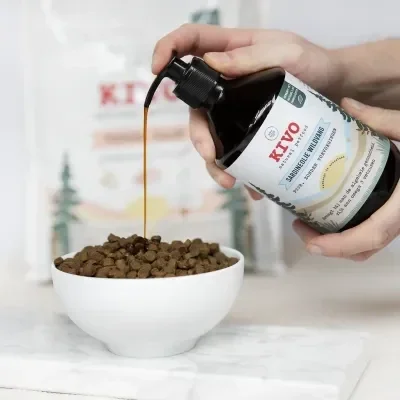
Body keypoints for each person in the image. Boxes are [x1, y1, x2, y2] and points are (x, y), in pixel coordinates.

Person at [151, 23, 400, 262]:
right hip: (346, 212)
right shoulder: (225, 138)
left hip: (378, 167)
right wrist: (338, 71)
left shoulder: (269, 83)